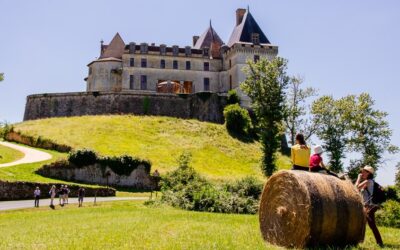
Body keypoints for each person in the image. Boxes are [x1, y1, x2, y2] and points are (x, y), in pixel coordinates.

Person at [355, 165, 383, 247]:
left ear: (369, 173)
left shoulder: (368, 181)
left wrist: (358, 178)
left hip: (370, 206)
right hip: (369, 206)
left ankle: (380, 243)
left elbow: (355, 188)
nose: (362, 172)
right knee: (364, 223)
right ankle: (360, 240)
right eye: (362, 171)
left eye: (364, 171)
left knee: (371, 225)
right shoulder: (369, 182)